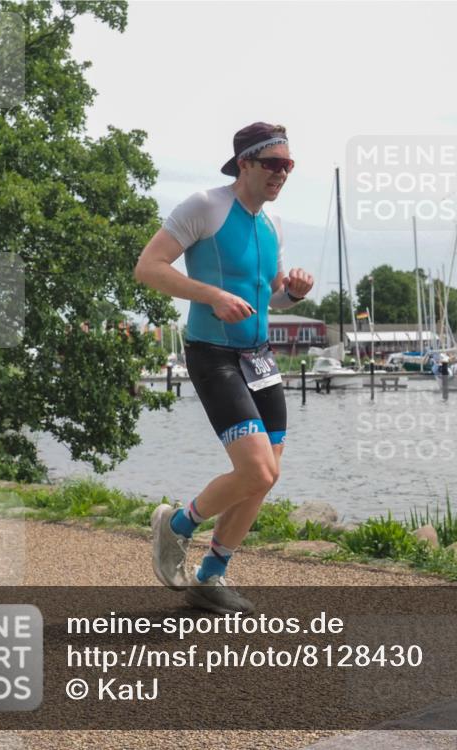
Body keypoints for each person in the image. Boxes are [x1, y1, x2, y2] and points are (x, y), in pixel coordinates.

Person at [134, 122, 313, 614]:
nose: (283, 174)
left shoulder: (271, 225)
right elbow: (148, 267)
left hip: (259, 357)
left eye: (289, 165)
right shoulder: (204, 206)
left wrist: (292, 292)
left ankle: (210, 577)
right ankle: (176, 526)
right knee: (254, 468)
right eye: (274, 164)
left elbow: (270, 297)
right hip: (213, 353)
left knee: (266, 475)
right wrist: (212, 296)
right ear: (246, 164)